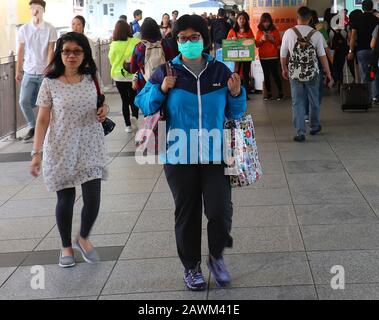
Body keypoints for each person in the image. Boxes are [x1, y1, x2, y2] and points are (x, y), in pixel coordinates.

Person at [135, 14, 246, 291]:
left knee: (220, 210)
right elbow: (144, 104)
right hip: (179, 155)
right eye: (182, 38)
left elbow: (236, 113)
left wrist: (235, 95)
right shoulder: (166, 71)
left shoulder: (221, 71)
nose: (188, 42)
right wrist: (161, 90)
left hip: (215, 153)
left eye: (194, 37)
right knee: (188, 212)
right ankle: (191, 267)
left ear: (204, 39)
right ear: (176, 41)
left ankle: (216, 257)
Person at [30, 32, 108, 268]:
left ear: (84, 54)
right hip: (61, 146)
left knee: (93, 197)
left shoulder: (92, 77)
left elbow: (101, 101)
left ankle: (83, 237)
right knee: (66, 199)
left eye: (76, 51)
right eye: (66, 51)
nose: (71, 55)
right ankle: (66, 246)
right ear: (59, 53)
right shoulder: (50, 82)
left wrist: (103, 109)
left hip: (90, 143)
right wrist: (36, 154)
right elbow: (42, 119)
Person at [281, 6, 332, 142]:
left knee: (297, 101)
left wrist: (284, 68)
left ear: (297, 18)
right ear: (310, 19)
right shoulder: (316, 34)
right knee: (314, 100)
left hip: (295, 72)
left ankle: (300, 132)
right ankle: (314, 126)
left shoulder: (289, 33)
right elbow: (322, 56)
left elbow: (283, 54)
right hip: (313, 72)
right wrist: (328, 73)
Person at [16, 0, 57, 142]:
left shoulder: (50, 29)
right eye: (32, 8)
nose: (34, 11)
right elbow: (20, 51)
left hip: (44, 72)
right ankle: (33, 126)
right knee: (24, 101)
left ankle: (45, 130)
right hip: (28, 71)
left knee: (45, 104)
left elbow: (51, 50)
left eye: (37, 8)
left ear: (43, 10)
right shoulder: (24, 29)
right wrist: (18, 70)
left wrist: (48, 67)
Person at [124, 18, 177, 93]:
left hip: (144, 84)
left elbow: (133, 69)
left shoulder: (139, 47)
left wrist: (125, 64)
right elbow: (173, 61)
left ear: (142, 32)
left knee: (146, 102)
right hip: (164, 83)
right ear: (157, 30)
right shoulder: (165, 44)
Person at [108, 20, 140, 133]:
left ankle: (128, 126)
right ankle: (135, 118)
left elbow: (111, 60)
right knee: (133, 98)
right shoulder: (136, 41)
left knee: (124, 100)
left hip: (118, 76)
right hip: (133, 75)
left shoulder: (114, 44)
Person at [348, 0, 379, 103]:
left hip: (361, 50)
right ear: (372, 7)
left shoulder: (357, 20)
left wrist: (351, 50)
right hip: (375, 50)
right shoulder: (376, 20)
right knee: (375, 72)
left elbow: (353, 37)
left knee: (364, 74)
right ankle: (375, 96)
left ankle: (366, 97)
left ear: (362, 7)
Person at [227, 11, 255, 99]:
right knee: (236, 74)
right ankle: (235, 92)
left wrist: (246, 40)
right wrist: (231, 39)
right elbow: (226, 42)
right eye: (240, 19)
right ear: (237, 20)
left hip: (247, 56)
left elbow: (253, 41)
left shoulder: (249, 30)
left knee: (246, 74)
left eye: (244, 19)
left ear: (246, 21)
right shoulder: (232, 31)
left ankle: (245, 94)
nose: (242, 21)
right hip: (236, 57)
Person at [255, 12, 283, 100]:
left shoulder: (275, 30)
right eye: (264, 22)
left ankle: (281, 93)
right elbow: (257, 45)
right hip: (263, 57)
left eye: (268, 22)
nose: (266, 23)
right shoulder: (259, 31)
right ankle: (269, 94)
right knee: (266, 75)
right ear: (261, 22)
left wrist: (272, 39)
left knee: (275, 75)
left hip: (273, 56)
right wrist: (262, 40)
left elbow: (278, 43)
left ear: (270, 22)